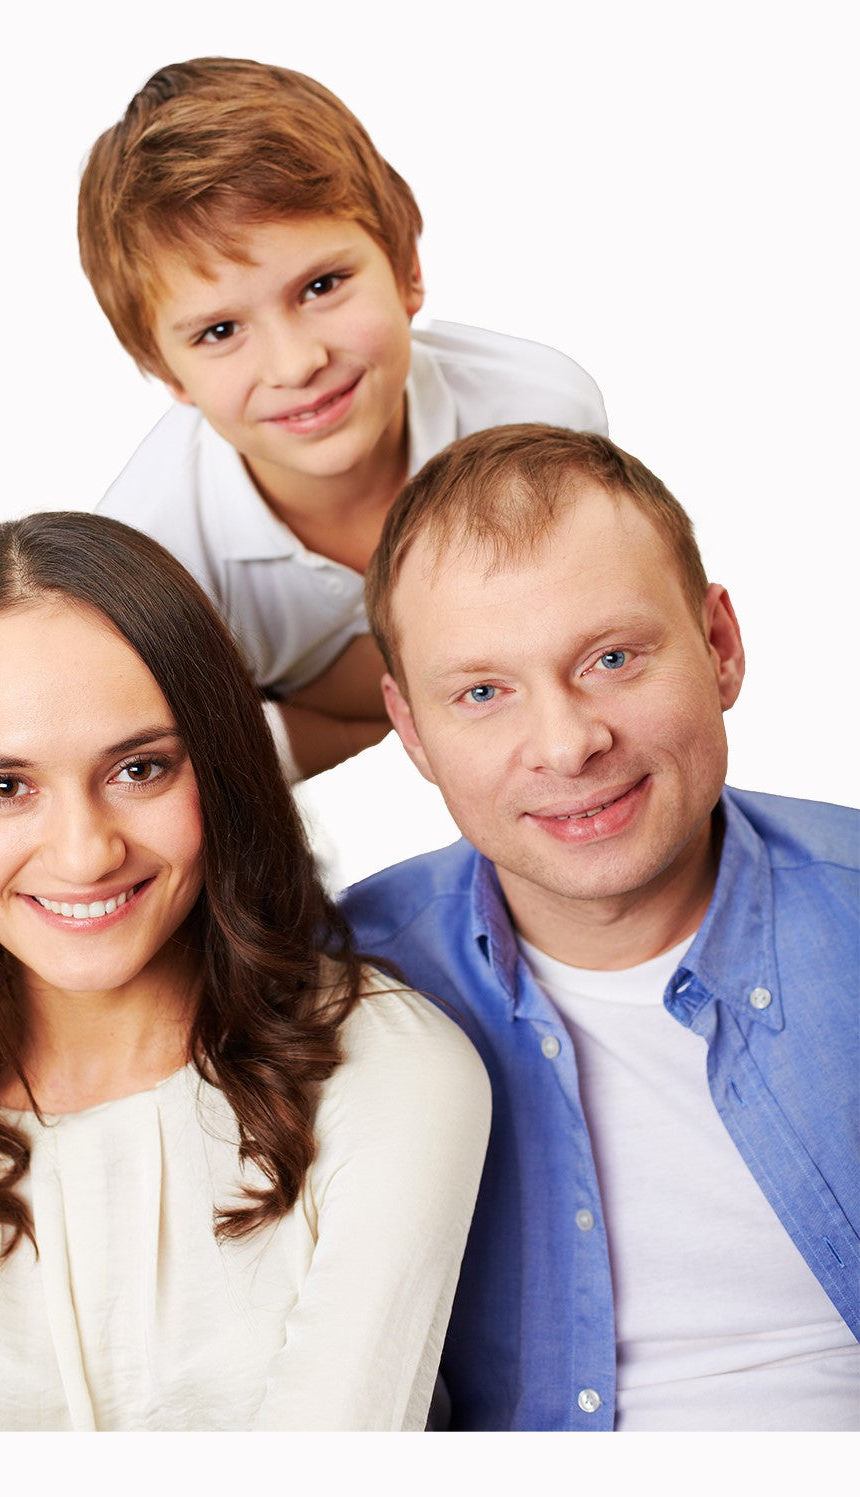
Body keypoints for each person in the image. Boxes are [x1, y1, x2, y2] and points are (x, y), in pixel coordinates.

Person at [0, 511, 490, 1432]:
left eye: (141, 768)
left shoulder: (390, 1072)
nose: (83, 854)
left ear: (221, 763)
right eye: (5, 786)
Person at [342, 423, 860, 1432]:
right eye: (482, 692)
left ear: (717, 648)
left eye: (612, 658)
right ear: (410, 732)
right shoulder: (340, 992)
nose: (568, 743)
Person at [77, 57, 607, 781]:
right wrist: (373, 723)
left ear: (406, 268)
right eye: (220, 332)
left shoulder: (537, 413)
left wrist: (347, 701)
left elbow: (588, 634)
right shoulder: (151, 557)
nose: (296, 364)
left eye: (322, 286)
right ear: (168, 372)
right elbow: (180, 767)